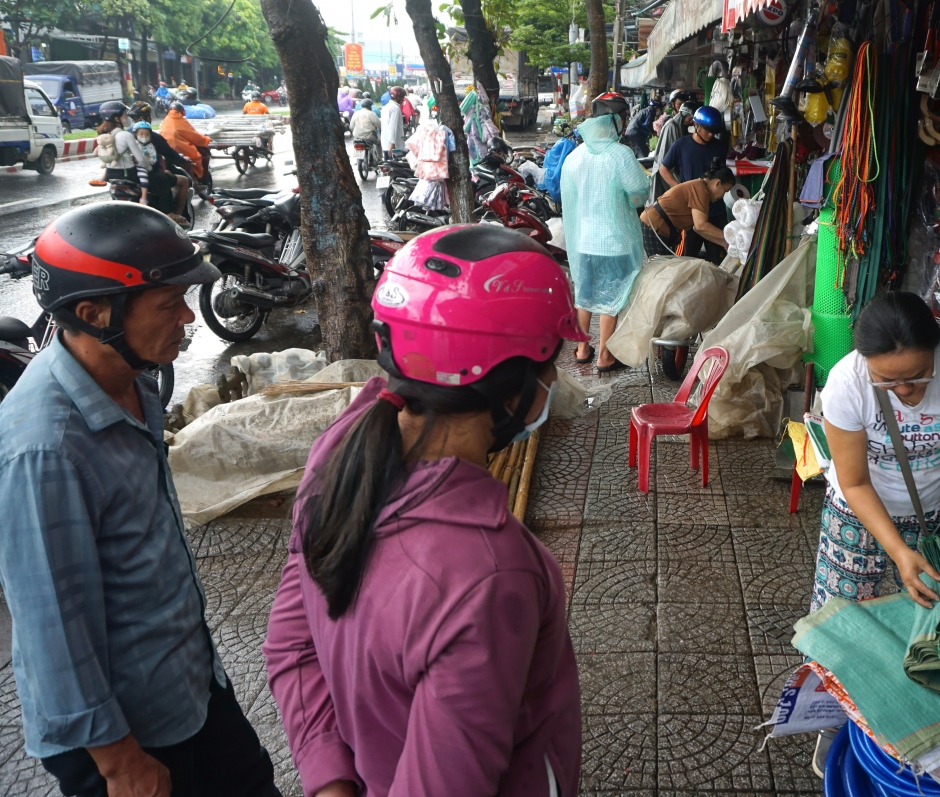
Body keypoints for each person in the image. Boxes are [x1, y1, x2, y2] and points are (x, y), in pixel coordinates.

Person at [264, 224, 584, 797]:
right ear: (507, 385)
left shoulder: (336, 453)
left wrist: (330, 779)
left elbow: (292, 641)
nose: (554, 379)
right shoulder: (489, 572)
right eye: (546, 363)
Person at [0, 203, 282, 797]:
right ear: (93, 312)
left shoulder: (133, 382)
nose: (187, 317)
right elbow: (53, 623)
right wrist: (120, 762)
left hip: (188, 686)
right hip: (122, 736)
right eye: (167, 304)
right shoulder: (45, 448)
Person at [813, 291, 940, 613]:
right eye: (887, 379)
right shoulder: (846, 384)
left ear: (935, 350)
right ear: (865, 359)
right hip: (857, 514)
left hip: (933, 513)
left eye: (918, 375)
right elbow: (855, 482)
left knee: (930, 617)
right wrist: (898, 551)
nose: (904, 389)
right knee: (841, 617)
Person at [560, 92, 649, 372]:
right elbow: (638, 193)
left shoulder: (576, 156)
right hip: (614, 242)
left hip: (584, 241)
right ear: (614, 121)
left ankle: (583, 349)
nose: (625, 123)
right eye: (623, 117)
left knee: (585, 295)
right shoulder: (620, 154)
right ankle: (606, 356)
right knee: (612, 300)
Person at [659, 105, 730, 263]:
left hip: (716, 212)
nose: (711, 134)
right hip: (690, 214)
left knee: (720, 261)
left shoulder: (720, 147)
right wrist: (677, 187)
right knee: (685, 260)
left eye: (714, 131)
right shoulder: (681, 145)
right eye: (707, 130)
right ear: (696, 125)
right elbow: (663, 168)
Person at [96, 102, 188, 222]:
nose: (127, 117)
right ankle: (169, 213)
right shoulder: (126, 135)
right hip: (131, 175)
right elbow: (141, 160)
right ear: (116, 118)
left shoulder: (105, 136)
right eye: (124, 115)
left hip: (112, 176)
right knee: (162, 179)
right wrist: (150, 169)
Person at [640, 165, 735, 256]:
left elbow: (698, 229)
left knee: (668, 267)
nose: (723, 196)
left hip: (658, 225)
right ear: (717, 183)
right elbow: (701, 226)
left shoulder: (701, 188)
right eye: (725, 191)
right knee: (662, 268)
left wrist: (724, 243)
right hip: (654, 224)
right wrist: (731, 237)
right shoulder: (701, 189)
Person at [649, 100, 700, 203]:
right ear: (683, 114)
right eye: (690, 118)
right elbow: (671, 156)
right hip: (665, 170)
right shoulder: (672, 126)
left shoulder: (678, 126)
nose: (690, 122)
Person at [159, 101, 215, 181]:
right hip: (181, 149)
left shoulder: (166, 120)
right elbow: (194, 136)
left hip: (166, 150)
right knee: (197, 156)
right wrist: (206, 139)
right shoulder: (180, 120)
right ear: (182, 111)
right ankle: (200, 177)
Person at [380, 87, 405, 156]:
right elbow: (392, 126)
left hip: (385, 144)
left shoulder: (386, 107)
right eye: (403, 97)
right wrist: (392, 143)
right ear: (398, 97)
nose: (403, 99)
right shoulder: (395, 108)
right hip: (394, 146)